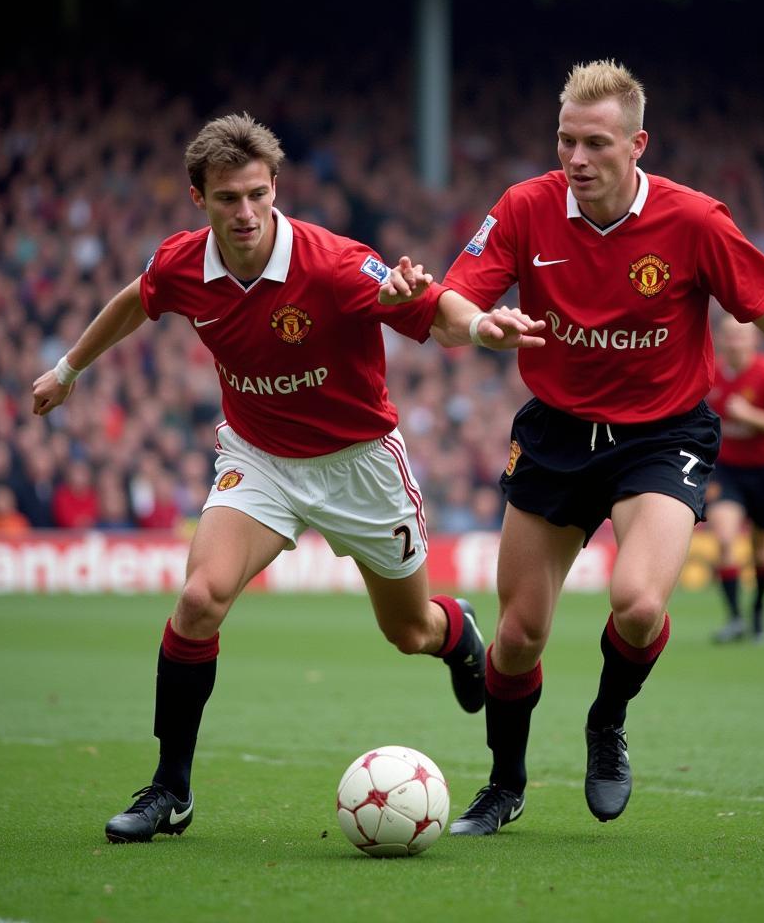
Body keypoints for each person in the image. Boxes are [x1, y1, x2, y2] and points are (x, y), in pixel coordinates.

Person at [384, 59, 764, 835]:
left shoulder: (694, 221)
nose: (576, 159)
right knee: (517, 637)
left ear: (637, 144)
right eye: (565, 142)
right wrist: (479, 325)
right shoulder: (525, 208)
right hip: (555, 435)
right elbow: (452, 303)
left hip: (662, 435)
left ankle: (607, 722)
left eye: (594, 143)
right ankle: (505, 784)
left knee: (641, 603)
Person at [32, 112, 487, 844]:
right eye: (226, 199)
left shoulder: (337, 263)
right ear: (198, 199)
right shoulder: (183, 263)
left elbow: (432, 313)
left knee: (408, 631)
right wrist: (66, 371)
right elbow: (131, 302)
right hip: (260, 459)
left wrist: (475, 326)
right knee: (198, 599)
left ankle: (457, 631)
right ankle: (170, 790)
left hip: (359, 463)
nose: (245, 213)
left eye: (256, 194)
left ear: (276, 187)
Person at [704, 314, 764, 644]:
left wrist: (749, 415)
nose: (734, 342)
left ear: (753, 341)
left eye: (740, 336)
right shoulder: (710, 372)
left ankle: (758, 609)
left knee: (760, 550)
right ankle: (734, 619)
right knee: (726, 537)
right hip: (726, 470)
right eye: (728, 336)